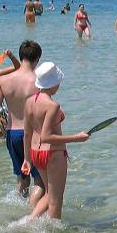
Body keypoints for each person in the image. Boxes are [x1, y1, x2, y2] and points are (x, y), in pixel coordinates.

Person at [0, 40, 45, 206]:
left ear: (21, 56)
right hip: (32, 135)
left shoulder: (3, 81)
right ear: (38, 59)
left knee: (22, 180)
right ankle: (32, 215)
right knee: (40, 181)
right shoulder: (38, 80)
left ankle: (16, 209)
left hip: (12, 134)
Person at [24, 62, 90, 220]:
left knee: (48, 194)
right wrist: (77, 138)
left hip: (35, 152)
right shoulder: (52, 105)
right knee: (56, 201)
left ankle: (26, 222)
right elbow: (46, 136)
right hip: (52, 153)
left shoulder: (29, 101)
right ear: (53, 83)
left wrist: (26, 159)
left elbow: (27, 133)